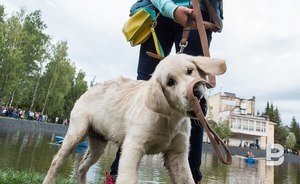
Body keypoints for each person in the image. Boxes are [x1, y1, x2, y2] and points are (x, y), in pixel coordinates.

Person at [104, 0, 223, 183]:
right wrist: (170, 9)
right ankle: (116, 176)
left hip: (198, 10)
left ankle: (192, 178)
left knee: (195, 98)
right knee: (142, 94)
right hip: (157, 13)